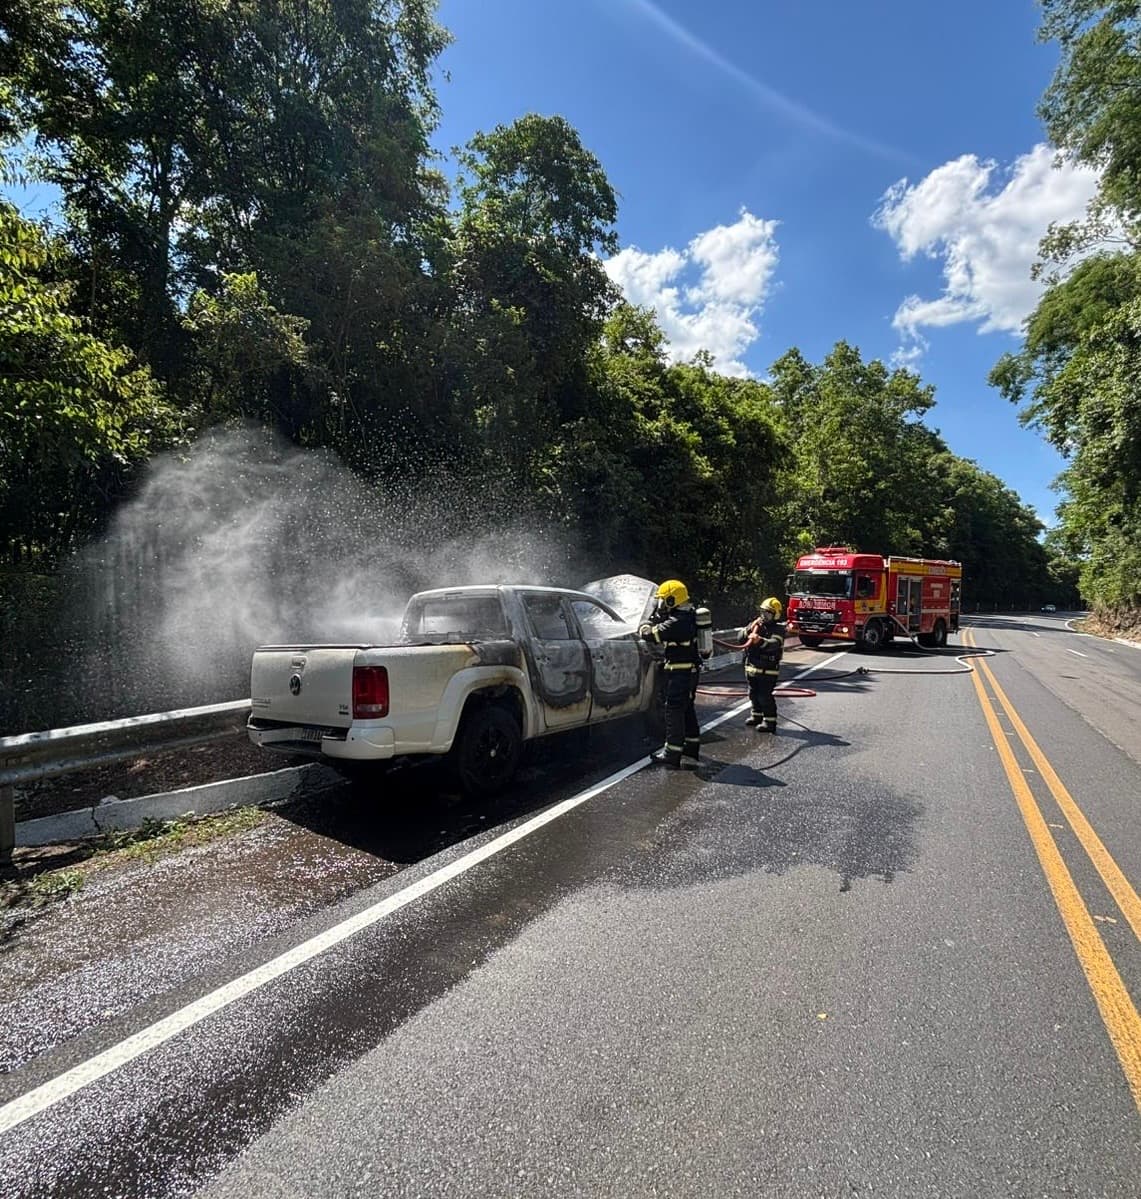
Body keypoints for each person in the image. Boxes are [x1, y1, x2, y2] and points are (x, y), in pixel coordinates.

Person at [640, 579, 701, 768]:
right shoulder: (689, 616)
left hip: (680, 674)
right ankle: (691, 745)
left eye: (663, 600)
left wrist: (645, 623)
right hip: (689, 672)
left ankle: (671, 753)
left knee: (673, 710)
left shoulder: (676, 622)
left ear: (672, 600)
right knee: (687, 708)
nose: (660, 604)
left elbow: (650, 635)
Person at [742, 597, 785, 732]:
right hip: (752, 667)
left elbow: (773, 644)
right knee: (753, 694)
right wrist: (750, 629)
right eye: (762, 612)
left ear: (775, 615)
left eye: (768, 613)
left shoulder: (778, 630)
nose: (764, 616)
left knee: (764, 696)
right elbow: (740, 638)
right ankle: (756, 716)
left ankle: (770, 722)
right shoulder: (756, 625)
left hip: (768, 670)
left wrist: (760, 641)